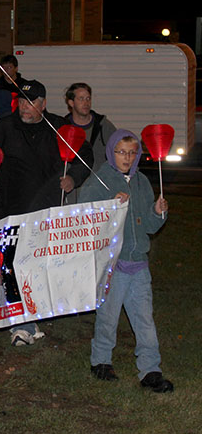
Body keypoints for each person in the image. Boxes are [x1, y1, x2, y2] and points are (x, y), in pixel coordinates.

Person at [0, 79, 93, 346]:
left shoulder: (58, 127)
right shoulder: (4, 127)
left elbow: (84, 155)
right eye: (21, 101)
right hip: (11, 208)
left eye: (31, 102)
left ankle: (38, 310)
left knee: (40, 265)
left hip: (46, 210)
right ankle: (18, 323)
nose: (25, 107)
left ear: (43, 104)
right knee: (9, 266)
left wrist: (73, 179)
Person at [78, 129, 173, 393]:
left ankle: (151, 370)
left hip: (138, 262)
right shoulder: (100, 180)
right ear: (111, 152)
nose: (127, 157)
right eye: (122, 152)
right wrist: (110, 203)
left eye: (132, 152)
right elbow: (84, 210)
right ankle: (101, 361)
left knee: (145, 319)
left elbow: (150, 226)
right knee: (108, 317)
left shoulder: (141, 181)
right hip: (112, 263)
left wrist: (157, 213)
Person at [65, 82, 117, 173]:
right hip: (74, 185)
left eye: (88, 98)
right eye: (81, 99)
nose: (86, 103)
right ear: (71, 103)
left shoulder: (104, 126)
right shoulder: (64, 129)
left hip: (100, 183)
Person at [0, 54, 26, 118]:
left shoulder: (24, 86)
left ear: (16, 68)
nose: (6, 70)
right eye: (4, 68)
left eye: (9, 67)